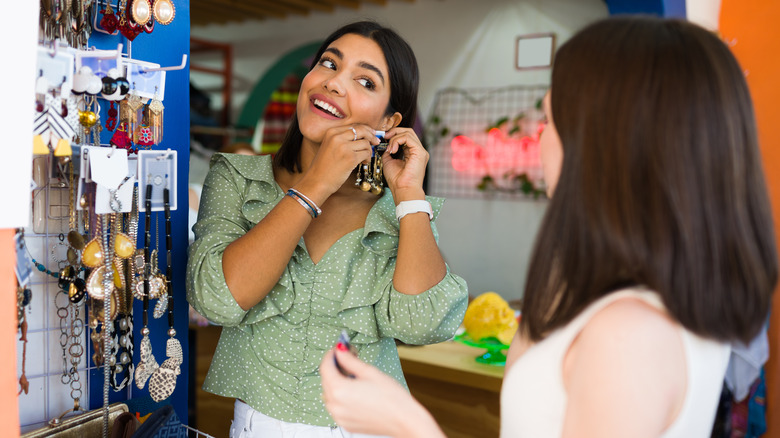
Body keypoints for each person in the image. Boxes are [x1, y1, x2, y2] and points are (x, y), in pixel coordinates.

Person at [319, 16, 778, 438]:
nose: (539, 143)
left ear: (610, 142)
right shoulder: (635, 290)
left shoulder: (630, 336)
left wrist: (409, 425)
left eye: (551, 122)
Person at [186, 21, 468, 437]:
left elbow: (421, 324)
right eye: (328, 63)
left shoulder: (397, 210)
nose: (334, 82)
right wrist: (316, 185)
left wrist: (409, 192)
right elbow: (218, 300)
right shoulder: (238, 179)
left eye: (365, 80)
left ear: (390, 121)